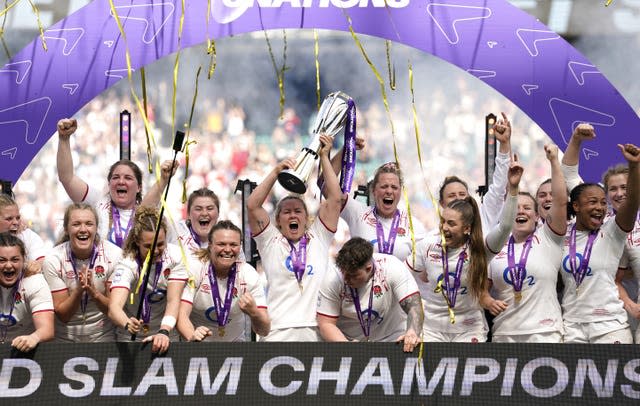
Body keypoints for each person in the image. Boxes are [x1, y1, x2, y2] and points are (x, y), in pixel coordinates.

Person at [406, 158, 523, 342]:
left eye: (451, 224)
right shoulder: (426, 246)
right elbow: (405, 279)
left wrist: (513, 189)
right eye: (443, 221)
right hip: (432, 330)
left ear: (467, 228)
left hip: (469, 329)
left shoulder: (481, 249)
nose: (444, 228)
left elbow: (506, 226)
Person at [247, 133, 341, 341]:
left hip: (316, 331)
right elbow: (253, 205)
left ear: (307, 218)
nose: (292, 215)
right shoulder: (270, 241)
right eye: (286, 211)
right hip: (277, 332)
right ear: (278, 220)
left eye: (298, 211)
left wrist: (324, 157)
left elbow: (334, 199)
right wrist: (276, 171)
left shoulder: (319, 237)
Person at [559, 142, 640, 344]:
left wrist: (634, 166)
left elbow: (632, 202)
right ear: (576, 206)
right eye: (593, 202)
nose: (600, 207)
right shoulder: (561, 235)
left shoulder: (613, 229)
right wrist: (576, 138)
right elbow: (568, 173)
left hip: (610, 326)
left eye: (603, 202)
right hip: (572, 327)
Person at [487, 145, 567, 343]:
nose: (520, 211)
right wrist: (487, 300)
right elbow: (480, 286)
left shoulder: (549, 238)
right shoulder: (495, 245)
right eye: (515, 207)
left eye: (527, 208)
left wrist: (554, 162)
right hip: (505, 332)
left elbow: (560, 201)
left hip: (545, 332)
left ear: (537, 215)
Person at [56, 118, 176, 247]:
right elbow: (67, 178)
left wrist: (164, 179)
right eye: (116, 177)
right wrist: (64, 139)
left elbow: (172, 250)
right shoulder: (97, 201)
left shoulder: (153, 217)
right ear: (109, 184)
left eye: (128, 178)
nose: (121, 181)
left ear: (139, 187)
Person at [316, 237, 422, 352]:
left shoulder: (392, 267)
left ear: (368, 268)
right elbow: (326, 323)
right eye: (343, 273)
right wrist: (347, 347)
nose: (346, 279)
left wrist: (412, 331)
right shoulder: (333, 278)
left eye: (353, 275)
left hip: (391, 337)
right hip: (349, 340)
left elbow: (414, 306)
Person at [108, 206, 188, 353]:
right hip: (131, 337)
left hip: (166, 334)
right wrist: (127, 323)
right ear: (137, 242)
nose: (156, 251)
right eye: (148, 246)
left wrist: (164, 331)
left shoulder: (175, 256)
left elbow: (173, 300)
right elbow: (114, 308)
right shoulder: (127, 263)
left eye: (160, 244)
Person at [177, 220, 269, 342]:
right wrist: (192, 336)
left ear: (240, 246)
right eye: (221, 244)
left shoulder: (248, 275)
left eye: (233, 245)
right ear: (210, 245)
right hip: (197, 346)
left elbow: (264, 330)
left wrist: (254, 312)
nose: (227, 249)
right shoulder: (196, 268)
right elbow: (181, 315)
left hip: (233, 348)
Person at [42, 203, 122, 342]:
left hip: (103, 336)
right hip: (65, 338)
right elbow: (63, 315)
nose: (83, 229)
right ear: (66, 229)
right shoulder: (53, 259)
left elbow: (114, 310)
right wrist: (79, 290)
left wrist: (94, 293)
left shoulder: (114, 255)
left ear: (96, 228)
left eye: (89, 224)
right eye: (76, 224)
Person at [0, 232, 54, 351]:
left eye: (15, 260)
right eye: (2, 260)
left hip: (26, 351)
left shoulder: (35, 282)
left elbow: (47, 329)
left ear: (24, 260)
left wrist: (33, 338)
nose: (8, 266)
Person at [168, 188, 220, 253]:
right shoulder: (176, 231)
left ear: (218, 213)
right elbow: (151, 214)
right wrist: (163, 181)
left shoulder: (227, 239)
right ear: (189, 214)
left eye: (209, 209)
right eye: (198, 209)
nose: (204, 213)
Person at [0, 194, 48, 263]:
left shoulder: (27, 235)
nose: (16, 222)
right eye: (9, 219)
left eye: (18, 218)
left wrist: (34, 266)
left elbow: (42, 261)